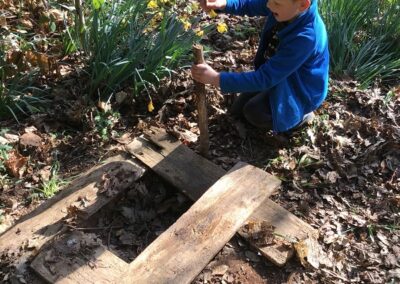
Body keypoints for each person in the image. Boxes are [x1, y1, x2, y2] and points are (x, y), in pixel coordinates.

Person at [191, 0, 329, 133]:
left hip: (299, 90)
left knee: (254, 113)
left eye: (276, 3)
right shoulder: (286, 7)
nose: (268, 5)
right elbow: (249, 4)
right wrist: (223, 3)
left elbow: (264, 78)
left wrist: (216, 78)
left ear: (303, 5)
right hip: (279, 74)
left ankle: (301, 116)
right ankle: (272, 98)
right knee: (237, 110)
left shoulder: (306, 37)